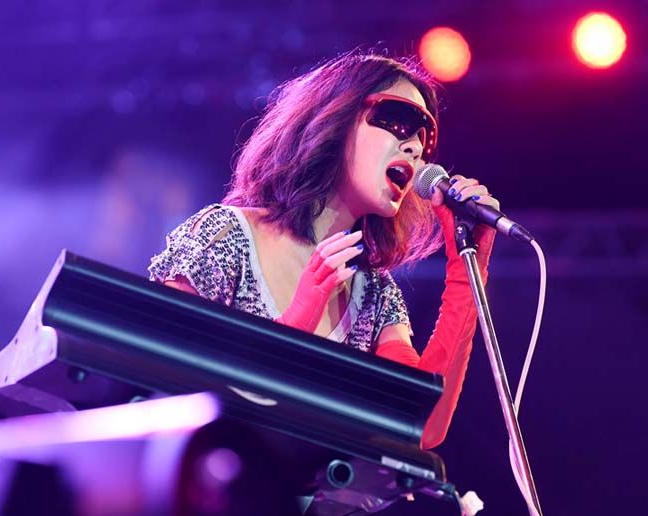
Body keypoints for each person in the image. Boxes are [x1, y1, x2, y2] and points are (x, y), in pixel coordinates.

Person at [149, 51, 499, 450]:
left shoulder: (375, 296)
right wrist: (296, 324)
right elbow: (158, 367)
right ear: (336, 117)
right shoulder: (226, 235)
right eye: (400, 120)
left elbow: (419, 425)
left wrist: (467, 271)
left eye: (425, 137)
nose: (415, 147)